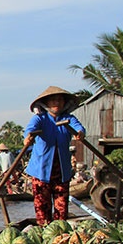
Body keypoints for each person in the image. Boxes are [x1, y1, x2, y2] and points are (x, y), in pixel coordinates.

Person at [23, 86, 85, 226]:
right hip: (41, 171)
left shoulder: (68, 118)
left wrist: (80, 133)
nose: (57, 103)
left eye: (59, 100)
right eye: (53, 100)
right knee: (42, 210)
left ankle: (59, 232)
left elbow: (78, 128)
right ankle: (43, 231)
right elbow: (30, 130)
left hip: (61, 172)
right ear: (46, 103)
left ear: (64, 103)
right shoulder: (40, 119)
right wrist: (28, 138)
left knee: (61, 210)